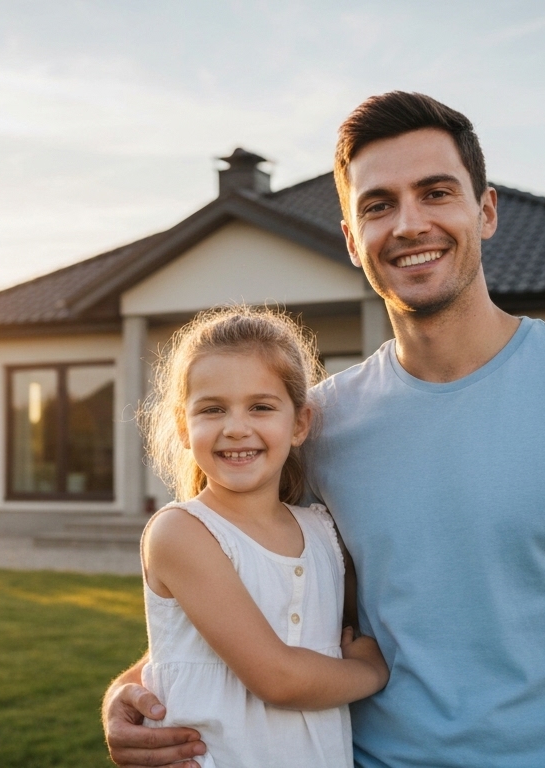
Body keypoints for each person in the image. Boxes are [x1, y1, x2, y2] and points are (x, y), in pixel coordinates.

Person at [104, 92, 545, 768]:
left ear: (485, 211)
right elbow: (244, 585)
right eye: (377, 205)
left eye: (436, 193)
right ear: (351, 238)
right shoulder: (318, 423)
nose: (409, 224)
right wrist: (130, 690)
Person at [136, 305, 388, 767]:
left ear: (299, 424)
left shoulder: (324, 531)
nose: (236, 427)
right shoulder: (181, 532)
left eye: (261, 406)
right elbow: (277, 678)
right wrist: (370, 671)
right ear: (182, 427)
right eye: (212, 409)